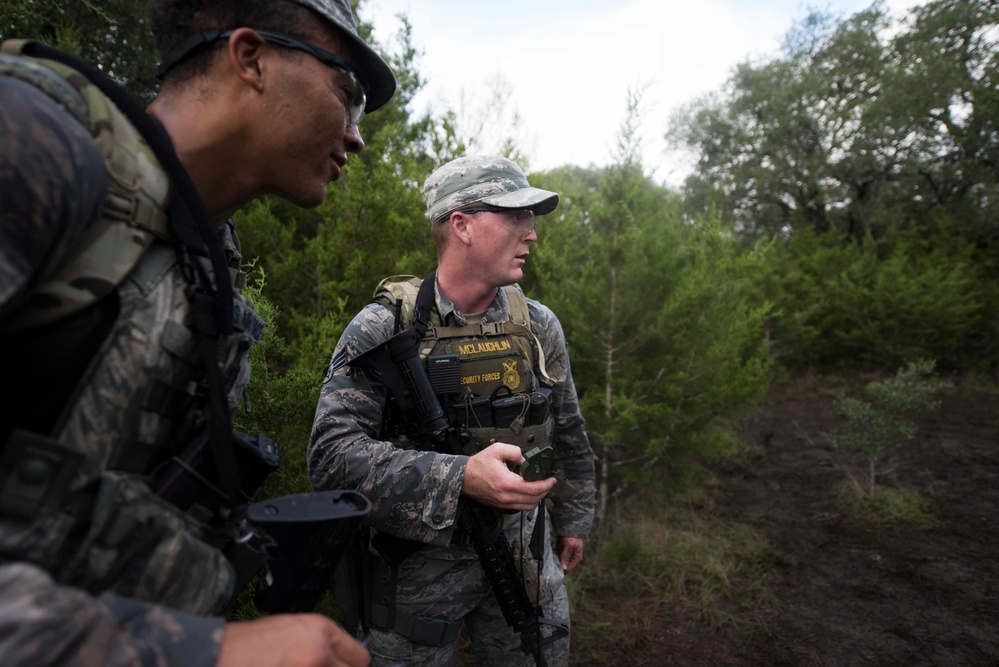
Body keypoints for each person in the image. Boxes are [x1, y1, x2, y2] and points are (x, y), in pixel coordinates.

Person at [0, 1, 395, 665]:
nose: (356, 136)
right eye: (347, 92)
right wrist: (200, 649)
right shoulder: (35, 138)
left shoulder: (199, 250)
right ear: (250, 59)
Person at [309, 155, 597, 667]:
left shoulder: (537, 326)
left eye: (530, 218)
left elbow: (566, 425)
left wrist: (574, 516)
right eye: (514, 216)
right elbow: (331, 459)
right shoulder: (385, 329)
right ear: (461, 225)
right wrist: (460, 477)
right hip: (416, 573)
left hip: (524, 555)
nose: (531, 233)